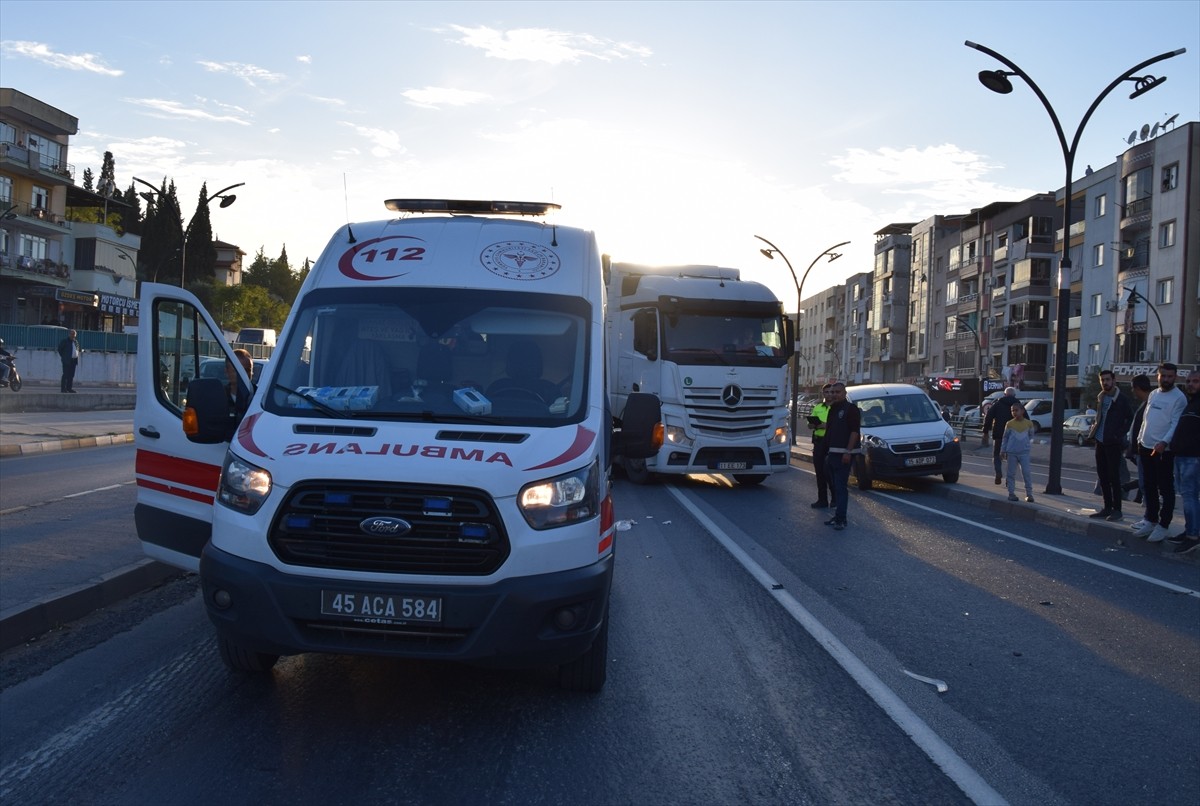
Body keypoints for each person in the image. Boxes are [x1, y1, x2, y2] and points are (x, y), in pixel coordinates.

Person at [1134, 363, 1187, 543]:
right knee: (1148, 486)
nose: (1166, 379)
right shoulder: (1154, 395)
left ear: (1175, 377)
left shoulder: (1179, 398)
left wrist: (1164, 442)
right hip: (1145, 446)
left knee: (1165, 488)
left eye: (1170, 376)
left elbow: (1175, 424)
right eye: (1163, 376)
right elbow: (1146, 419)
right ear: (1157, 376)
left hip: (1163, 449)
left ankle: (1163, 525)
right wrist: (1140, 438)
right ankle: (1150, 519)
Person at [1088, 369, 1134, 522]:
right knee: (1103, 476)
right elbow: (1101, 417)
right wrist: (1094, 427)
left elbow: (1130, 418)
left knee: (1114, 477)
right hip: (1100, 440)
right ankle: (1107, 507)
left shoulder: (1121, 399)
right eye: (1102, 380)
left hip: (1113, 442)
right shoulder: (1101, 397)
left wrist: (1118, 434)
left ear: (1114, 380)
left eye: (1108, 380)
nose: (1105, 383)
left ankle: (1117, 509)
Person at [1167, 370, 1200, 555]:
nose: (1191, 384)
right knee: (1188, 496)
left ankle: (1193, 537)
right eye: (1188, 381)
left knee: (1190, 497)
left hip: (1193, 458)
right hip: (1181, 456)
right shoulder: (1191, 403)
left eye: (1195, 381)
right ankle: (1190, 530)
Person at [821, 382, 861, 532]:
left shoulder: (851, 409)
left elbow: (854, 432)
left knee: (840, 487)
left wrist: (848, 451)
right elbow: (830, 432)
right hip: (832, 453)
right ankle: (837, 515)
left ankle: (841, 519)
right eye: (831, 392)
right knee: (835, 487)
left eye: (837, 392)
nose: (833, 394)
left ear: (844, 393)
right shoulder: (832, 409)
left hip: (843, 454)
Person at [1125, 374, 1152, 515]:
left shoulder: (1150, 403)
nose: (1132, 391)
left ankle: (1149, 513)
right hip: (1138, 450)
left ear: (1137, 388)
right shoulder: (1144, 403)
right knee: (1144, 481)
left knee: (1147, 482)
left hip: (1145, 449)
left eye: (1132, 388)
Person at [1000, 399, 1036, 503]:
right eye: (1012, 411)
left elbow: (1031, 435)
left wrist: (1026, 444)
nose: (1014, 412)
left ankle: (1029, 494)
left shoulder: (1029, 423)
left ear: (1022, 411)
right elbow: (1005, 438)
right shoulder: (1009, 424)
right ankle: (1011, 493)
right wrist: (1003, 450)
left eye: (1016, 410)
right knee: (1011, 474)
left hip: (1024, 452)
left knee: (1026, 473)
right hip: (1011, 452)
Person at [983, 386, 1019, 485]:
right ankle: (1009, 479)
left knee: (997, 456)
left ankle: (998, 473)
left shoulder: (997, 404)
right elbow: (1026, 419)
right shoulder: (1018, 405)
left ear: (1004, 395)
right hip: (1014, 436)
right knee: (1011, 458)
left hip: (999, 435)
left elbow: (988, 417)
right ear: (1014, 395)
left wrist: (986, 431)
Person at [808, 384, 832, 508]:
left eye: (830, 392)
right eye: (826, 392)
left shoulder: (837, 408)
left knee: (830, 472)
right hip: (818, 442)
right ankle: (822, 500)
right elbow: (809, 424)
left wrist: (825, 425)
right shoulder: (818, 407)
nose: (828, 394)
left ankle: (835, 499)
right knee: (819, 471)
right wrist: (815, 424)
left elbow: (839, 425)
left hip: (831, 442)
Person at [225, 348, 254, 434]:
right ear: (226, 372)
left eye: (247, 370)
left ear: (252, 372)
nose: (243, 374)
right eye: (237, 370)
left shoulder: (261, 398)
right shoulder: (218, 398)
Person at [57, 329, 81, 393]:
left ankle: (69, 388)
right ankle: (63, 389)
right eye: (72, 334)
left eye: (74, 334)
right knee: (65, 375)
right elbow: (60, 349)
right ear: (69, 334)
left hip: (74, 361)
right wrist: (64, 357)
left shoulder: (76, 342)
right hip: (67, 360)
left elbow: (77, 350)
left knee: (71, 375)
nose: (73, 335)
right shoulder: (65, 341)